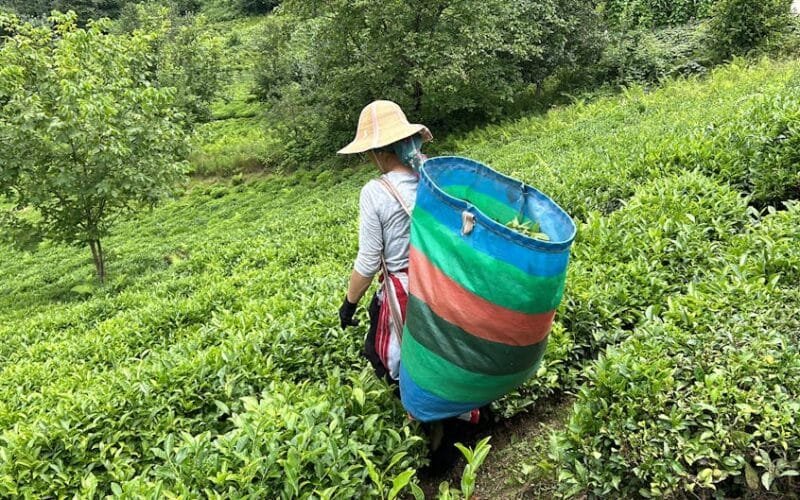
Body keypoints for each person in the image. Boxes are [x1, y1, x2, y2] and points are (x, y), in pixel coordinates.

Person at [336, 100, 431, 383]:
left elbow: (368, 261)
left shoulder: (375, 192)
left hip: (406, 290)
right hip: (441, 281)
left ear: (379, 152)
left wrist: (349, 304)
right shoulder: (432, 175)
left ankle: (424, 419)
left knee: (381, 356)